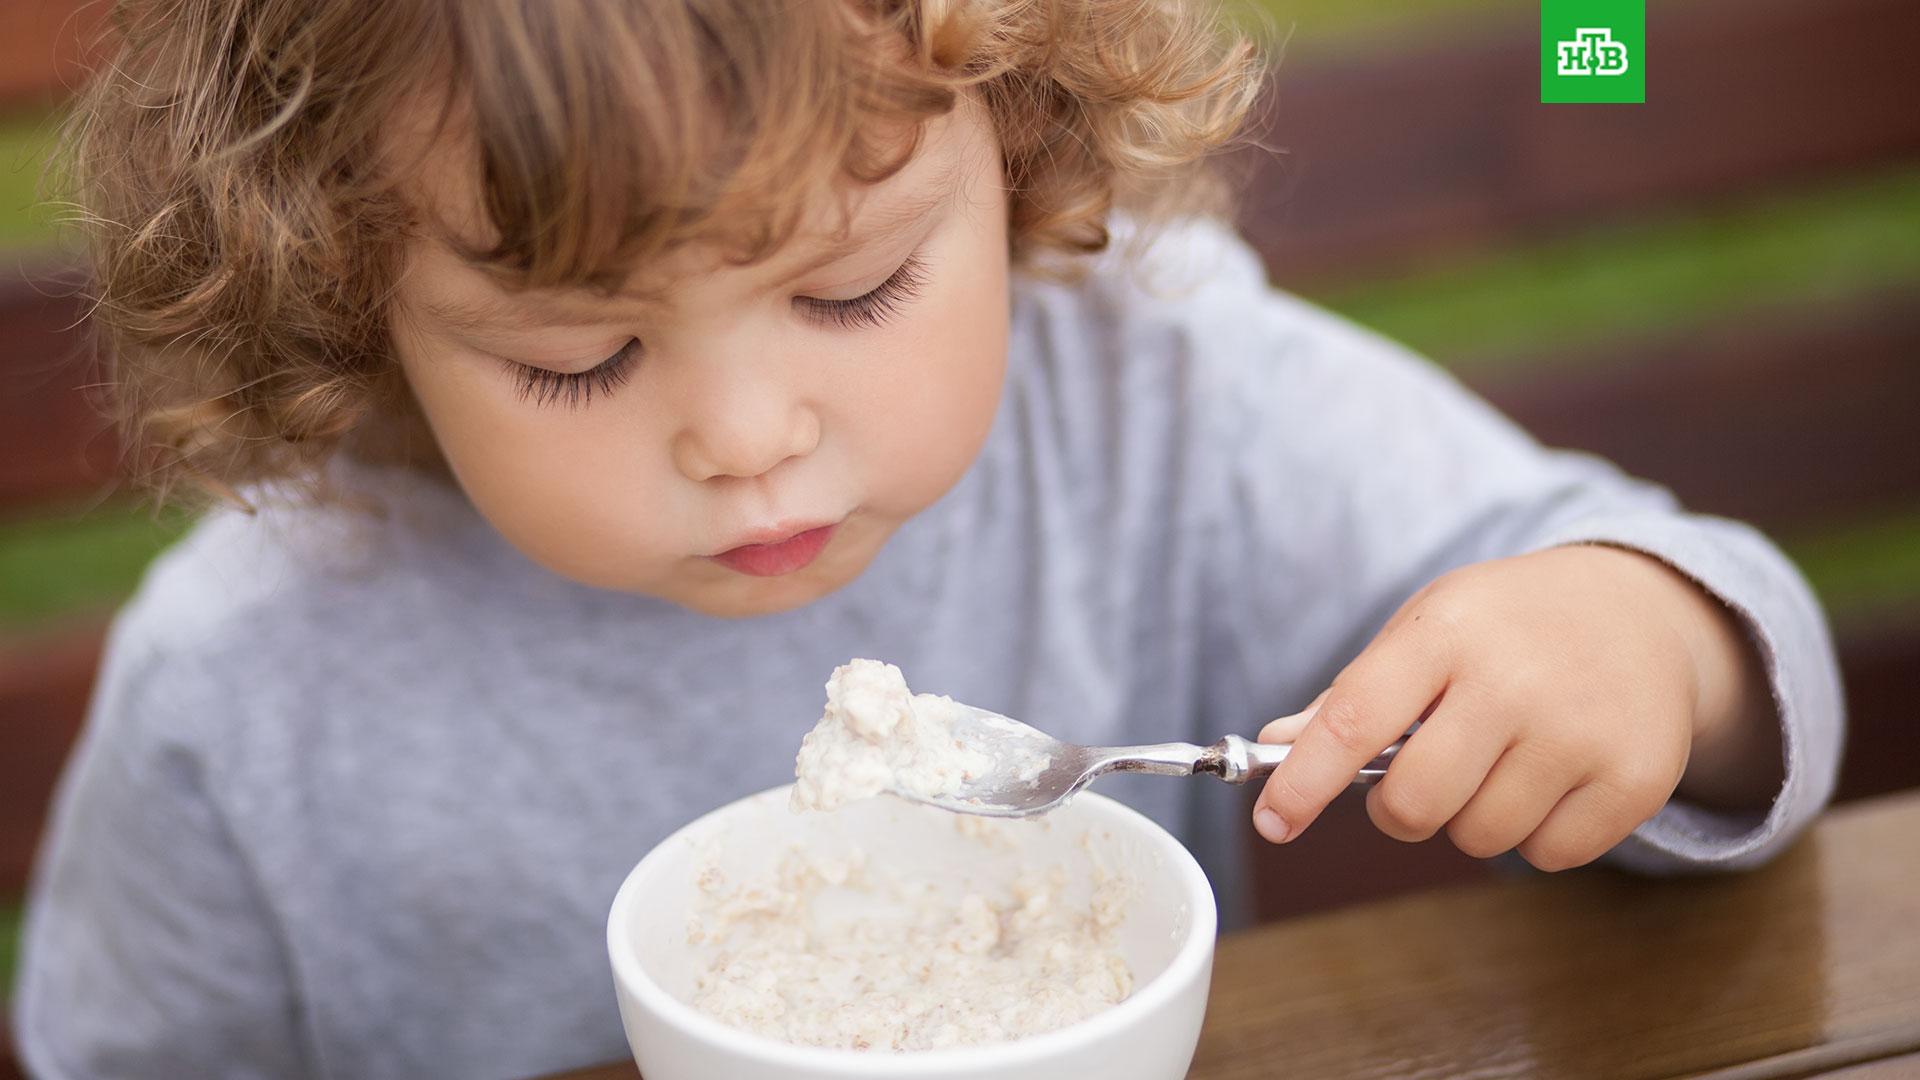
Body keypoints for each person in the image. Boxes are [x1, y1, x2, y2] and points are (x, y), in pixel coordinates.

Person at [13, 0, 1841, 1076]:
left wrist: (1644, 647)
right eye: (579, 360)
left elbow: (1727, 641)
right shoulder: (250, 691)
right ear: (347, 296)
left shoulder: (1151, 399)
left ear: (1023, 139)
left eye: (861, 286)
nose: (748, 437)